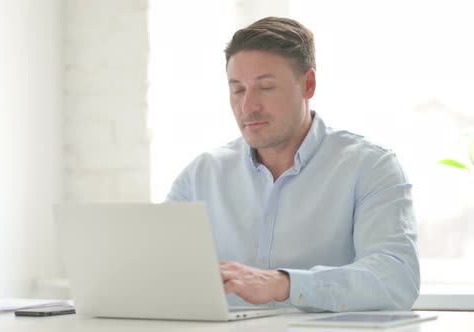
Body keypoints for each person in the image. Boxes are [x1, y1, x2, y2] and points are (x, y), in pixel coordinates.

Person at [166, 17, 419, 312]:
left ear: (308, 85)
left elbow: (396, 279)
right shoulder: (200, 176)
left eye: (266, 87)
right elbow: (152, 267)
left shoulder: (370, 166)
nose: (248, 106)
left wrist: (283, 284)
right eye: (238, 90)